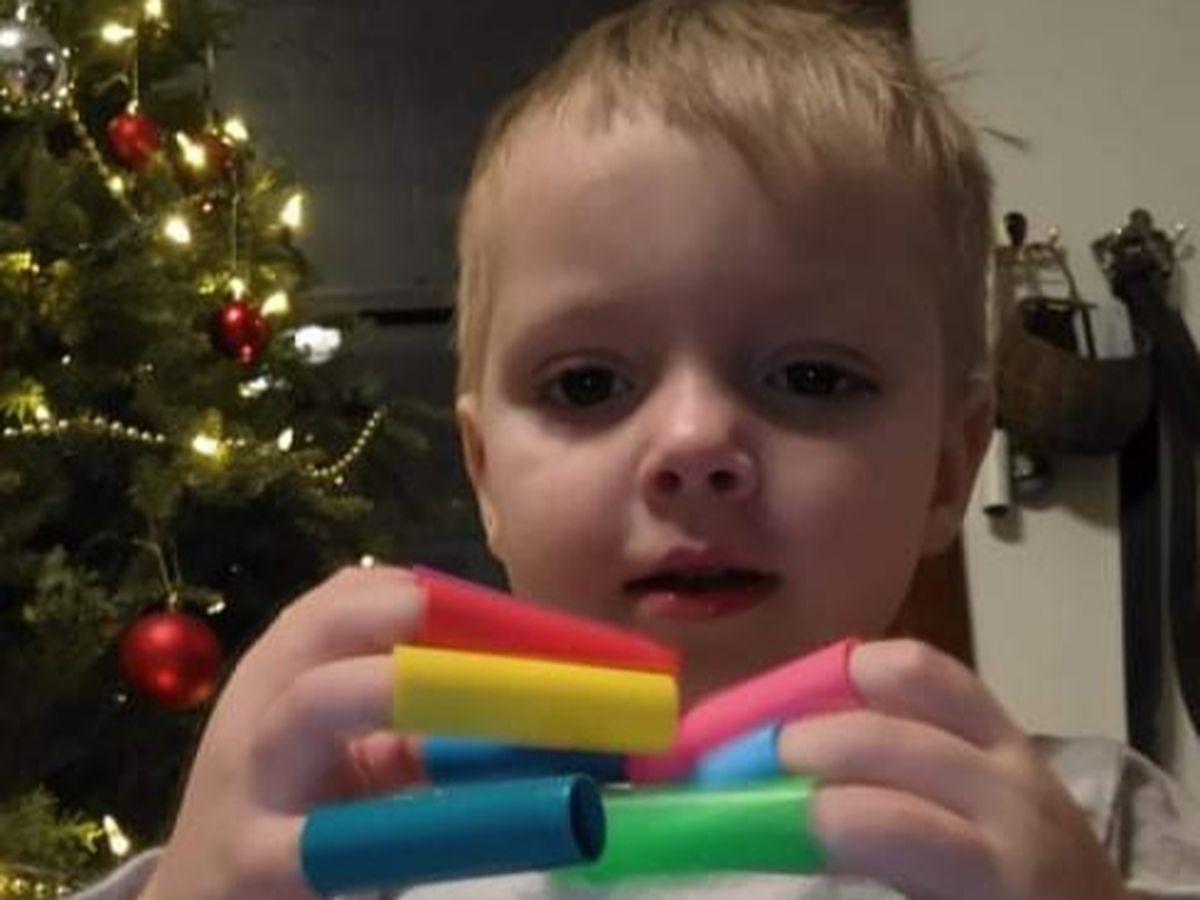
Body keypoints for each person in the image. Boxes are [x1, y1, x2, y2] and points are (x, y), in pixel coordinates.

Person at [79, 1, 1200, 898]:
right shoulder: (354, 833)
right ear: (485, 475)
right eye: (587, 385)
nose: (695, 444)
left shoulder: (1076, 822)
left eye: (813, 378)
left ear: (949, 468)